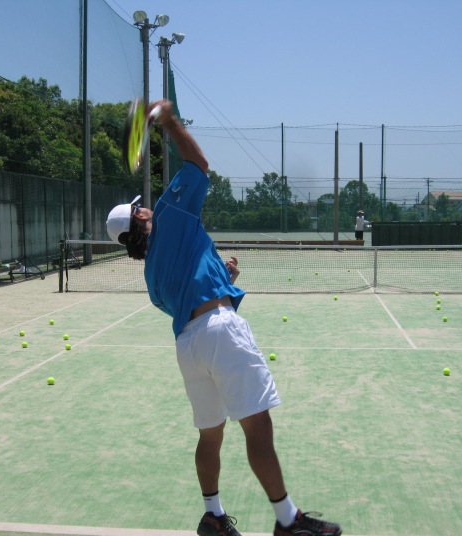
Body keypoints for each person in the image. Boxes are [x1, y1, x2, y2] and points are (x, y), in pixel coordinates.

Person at [106, 100, 342, 536]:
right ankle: (287, 520)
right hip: (219, 332)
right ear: (139, 220)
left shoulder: (151, 276)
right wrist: (170, 121)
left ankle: (212, 515)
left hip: (189, 346)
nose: (146, 207)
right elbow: (199, 164)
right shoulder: (171, 214)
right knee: (257, 425)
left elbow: (188, 302)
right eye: (140, 208)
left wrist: (224, 279)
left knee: (210, 435)